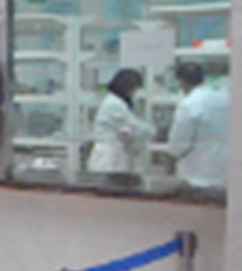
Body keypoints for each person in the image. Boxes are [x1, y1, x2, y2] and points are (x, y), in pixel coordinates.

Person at [165, 62, 229, 190]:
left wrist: (170, 160)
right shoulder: (223, 98)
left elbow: (179, 142)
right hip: (224, 170)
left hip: (197, 174)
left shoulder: (189, 104)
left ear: (181, 82)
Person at [87, 68, 154, 184]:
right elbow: (135, 127)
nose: (134, 93)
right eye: (134, 89)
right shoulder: (114, 104)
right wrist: (152, 131)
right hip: (109, 157)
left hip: (116, 155)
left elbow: (129, 129)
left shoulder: (118, 103)